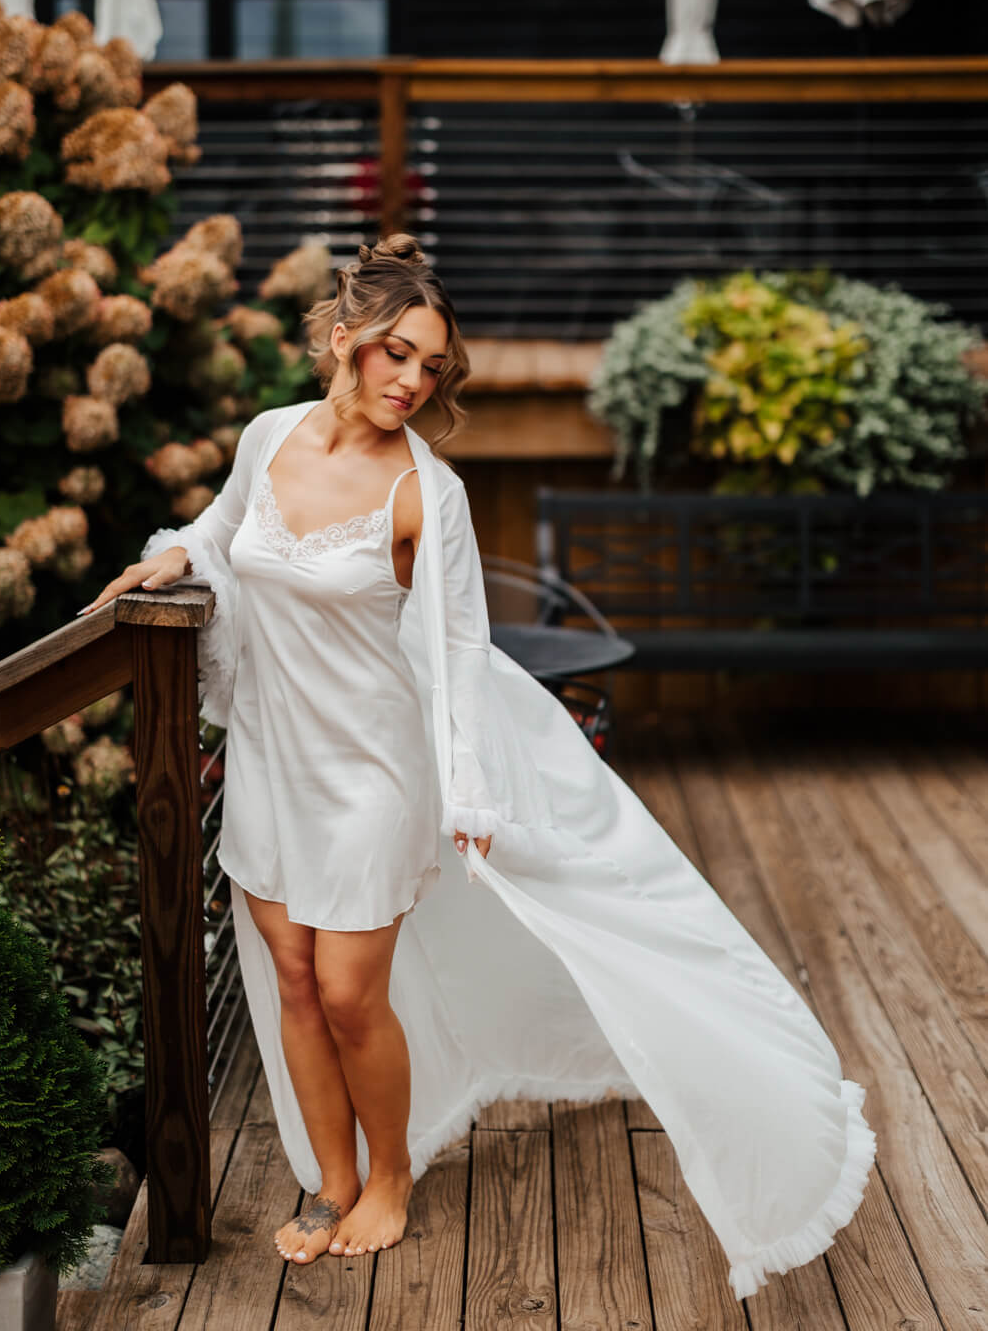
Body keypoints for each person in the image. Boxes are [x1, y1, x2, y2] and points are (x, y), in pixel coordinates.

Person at [79, 234, 877, 1298]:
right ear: (344, 339)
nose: (413, 380)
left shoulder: (427, 493)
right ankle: (330, 1178)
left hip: (375, 773)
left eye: (431, 366)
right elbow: (227, 532)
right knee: (294, 984)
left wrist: (466, 794)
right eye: (397, 354)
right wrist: (177, 552)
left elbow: (458, 657)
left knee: (352, 992)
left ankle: (392, 1177)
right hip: (272, 758)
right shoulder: (269, 435)